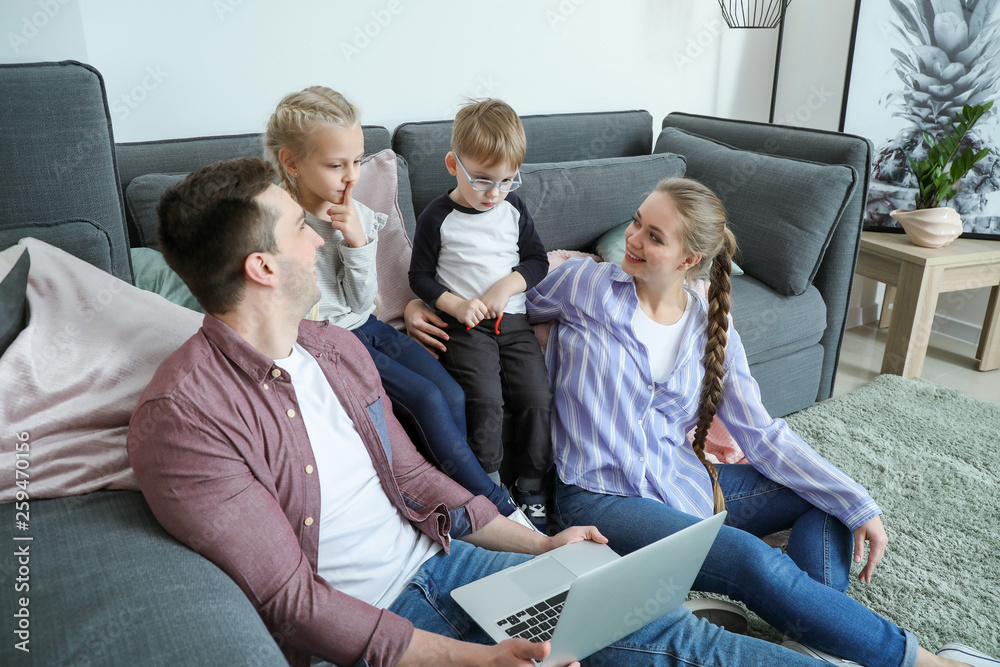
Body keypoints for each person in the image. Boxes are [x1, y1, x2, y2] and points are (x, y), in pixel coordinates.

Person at [127, 158, 839, 667]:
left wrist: (539, 543)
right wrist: (468, 659)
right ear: (261, 267)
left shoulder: (330, 347)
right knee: (667, 645)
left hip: (445, 557)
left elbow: (414, 476)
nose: (318, 236)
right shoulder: (184, 418)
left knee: (660, 624)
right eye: (296, 228)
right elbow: (292, 602)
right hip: (392, 616)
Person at [405, 177, 996, 667]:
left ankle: (809, 631)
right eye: (636, 222)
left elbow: (760, 432)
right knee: (748, 558)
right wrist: (417, 304)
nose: (631, 239)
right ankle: (922, 662)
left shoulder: (710, 322)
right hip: (600, 497)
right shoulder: (584, 286)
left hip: (689, 483)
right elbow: (498, 304)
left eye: (652, 236)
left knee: (824, 503)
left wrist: (857, 500)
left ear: (688, 260)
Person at [262, 86, 531, 527]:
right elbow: (302, 310)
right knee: (425, 398)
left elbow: (364, 301)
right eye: (336, 165)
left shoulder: (357, 213)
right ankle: (497, 509)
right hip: (331, 340)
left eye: (356, 161)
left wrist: (357, 241)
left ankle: (463, 496)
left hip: (367, 324)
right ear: (292, 163)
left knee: (451, 392)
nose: (352, 176)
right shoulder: (281, 223)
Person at [408, 99, 553, 532]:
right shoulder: (438, 217)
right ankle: (489, 489)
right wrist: (454, 303)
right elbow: (419, 277)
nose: (495, 193)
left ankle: (533, 487)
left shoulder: (514, 210)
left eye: (507, 180)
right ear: (454, 164)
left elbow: (537, 261)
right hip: (466, 327)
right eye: (484, 181)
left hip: (513, 322)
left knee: (536, 397)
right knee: (485, 400)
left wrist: (506, 286)